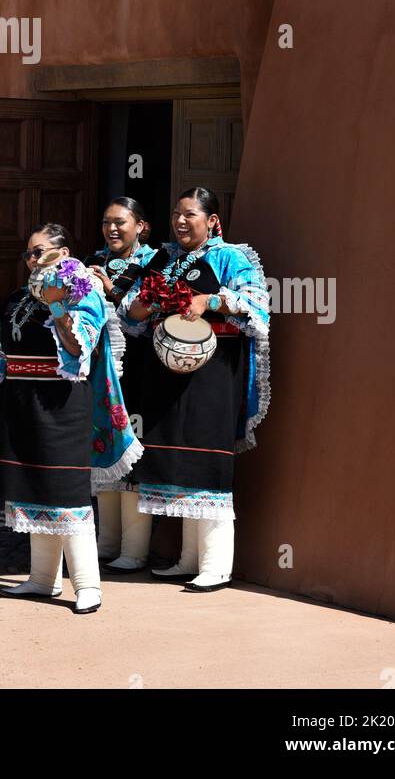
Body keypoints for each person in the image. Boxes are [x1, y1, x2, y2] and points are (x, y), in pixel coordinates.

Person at [0, 223, 141, 615]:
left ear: (63, 253)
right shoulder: (16, 299)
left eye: (40, 251)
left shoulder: (84, 294)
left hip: (63, 407)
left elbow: (78, 348)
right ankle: (42, 580)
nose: (32, 259)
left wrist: (57, 304)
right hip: (21, 404)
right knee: (31, 489)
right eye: (28, 253)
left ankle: (87, 586)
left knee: (66, 495)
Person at [118, 187, 270, 591]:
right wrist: (144, 305)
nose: (181, 221)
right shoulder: (164, 258)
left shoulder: (231, 257)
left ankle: (217, 564)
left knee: (207, 458)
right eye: (176, 214)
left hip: (214, 375)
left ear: (212, 220)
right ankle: (188, 559)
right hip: (164, 374)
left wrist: (211, 301)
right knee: (178, 460)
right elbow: (132, 313)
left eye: (190, 215)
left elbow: (256, 304)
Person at [85, 198, 157, 571]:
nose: (112, 229)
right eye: (106, 222)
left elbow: (146, 313)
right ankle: (107, 541)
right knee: (105, 443)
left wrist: (111, 289)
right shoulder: (93, 264)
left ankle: (135, 549)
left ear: (140, 226)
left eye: (120, 223)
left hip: (139, 367)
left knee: (133, 449)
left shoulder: (156, 263)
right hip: (102, 369)